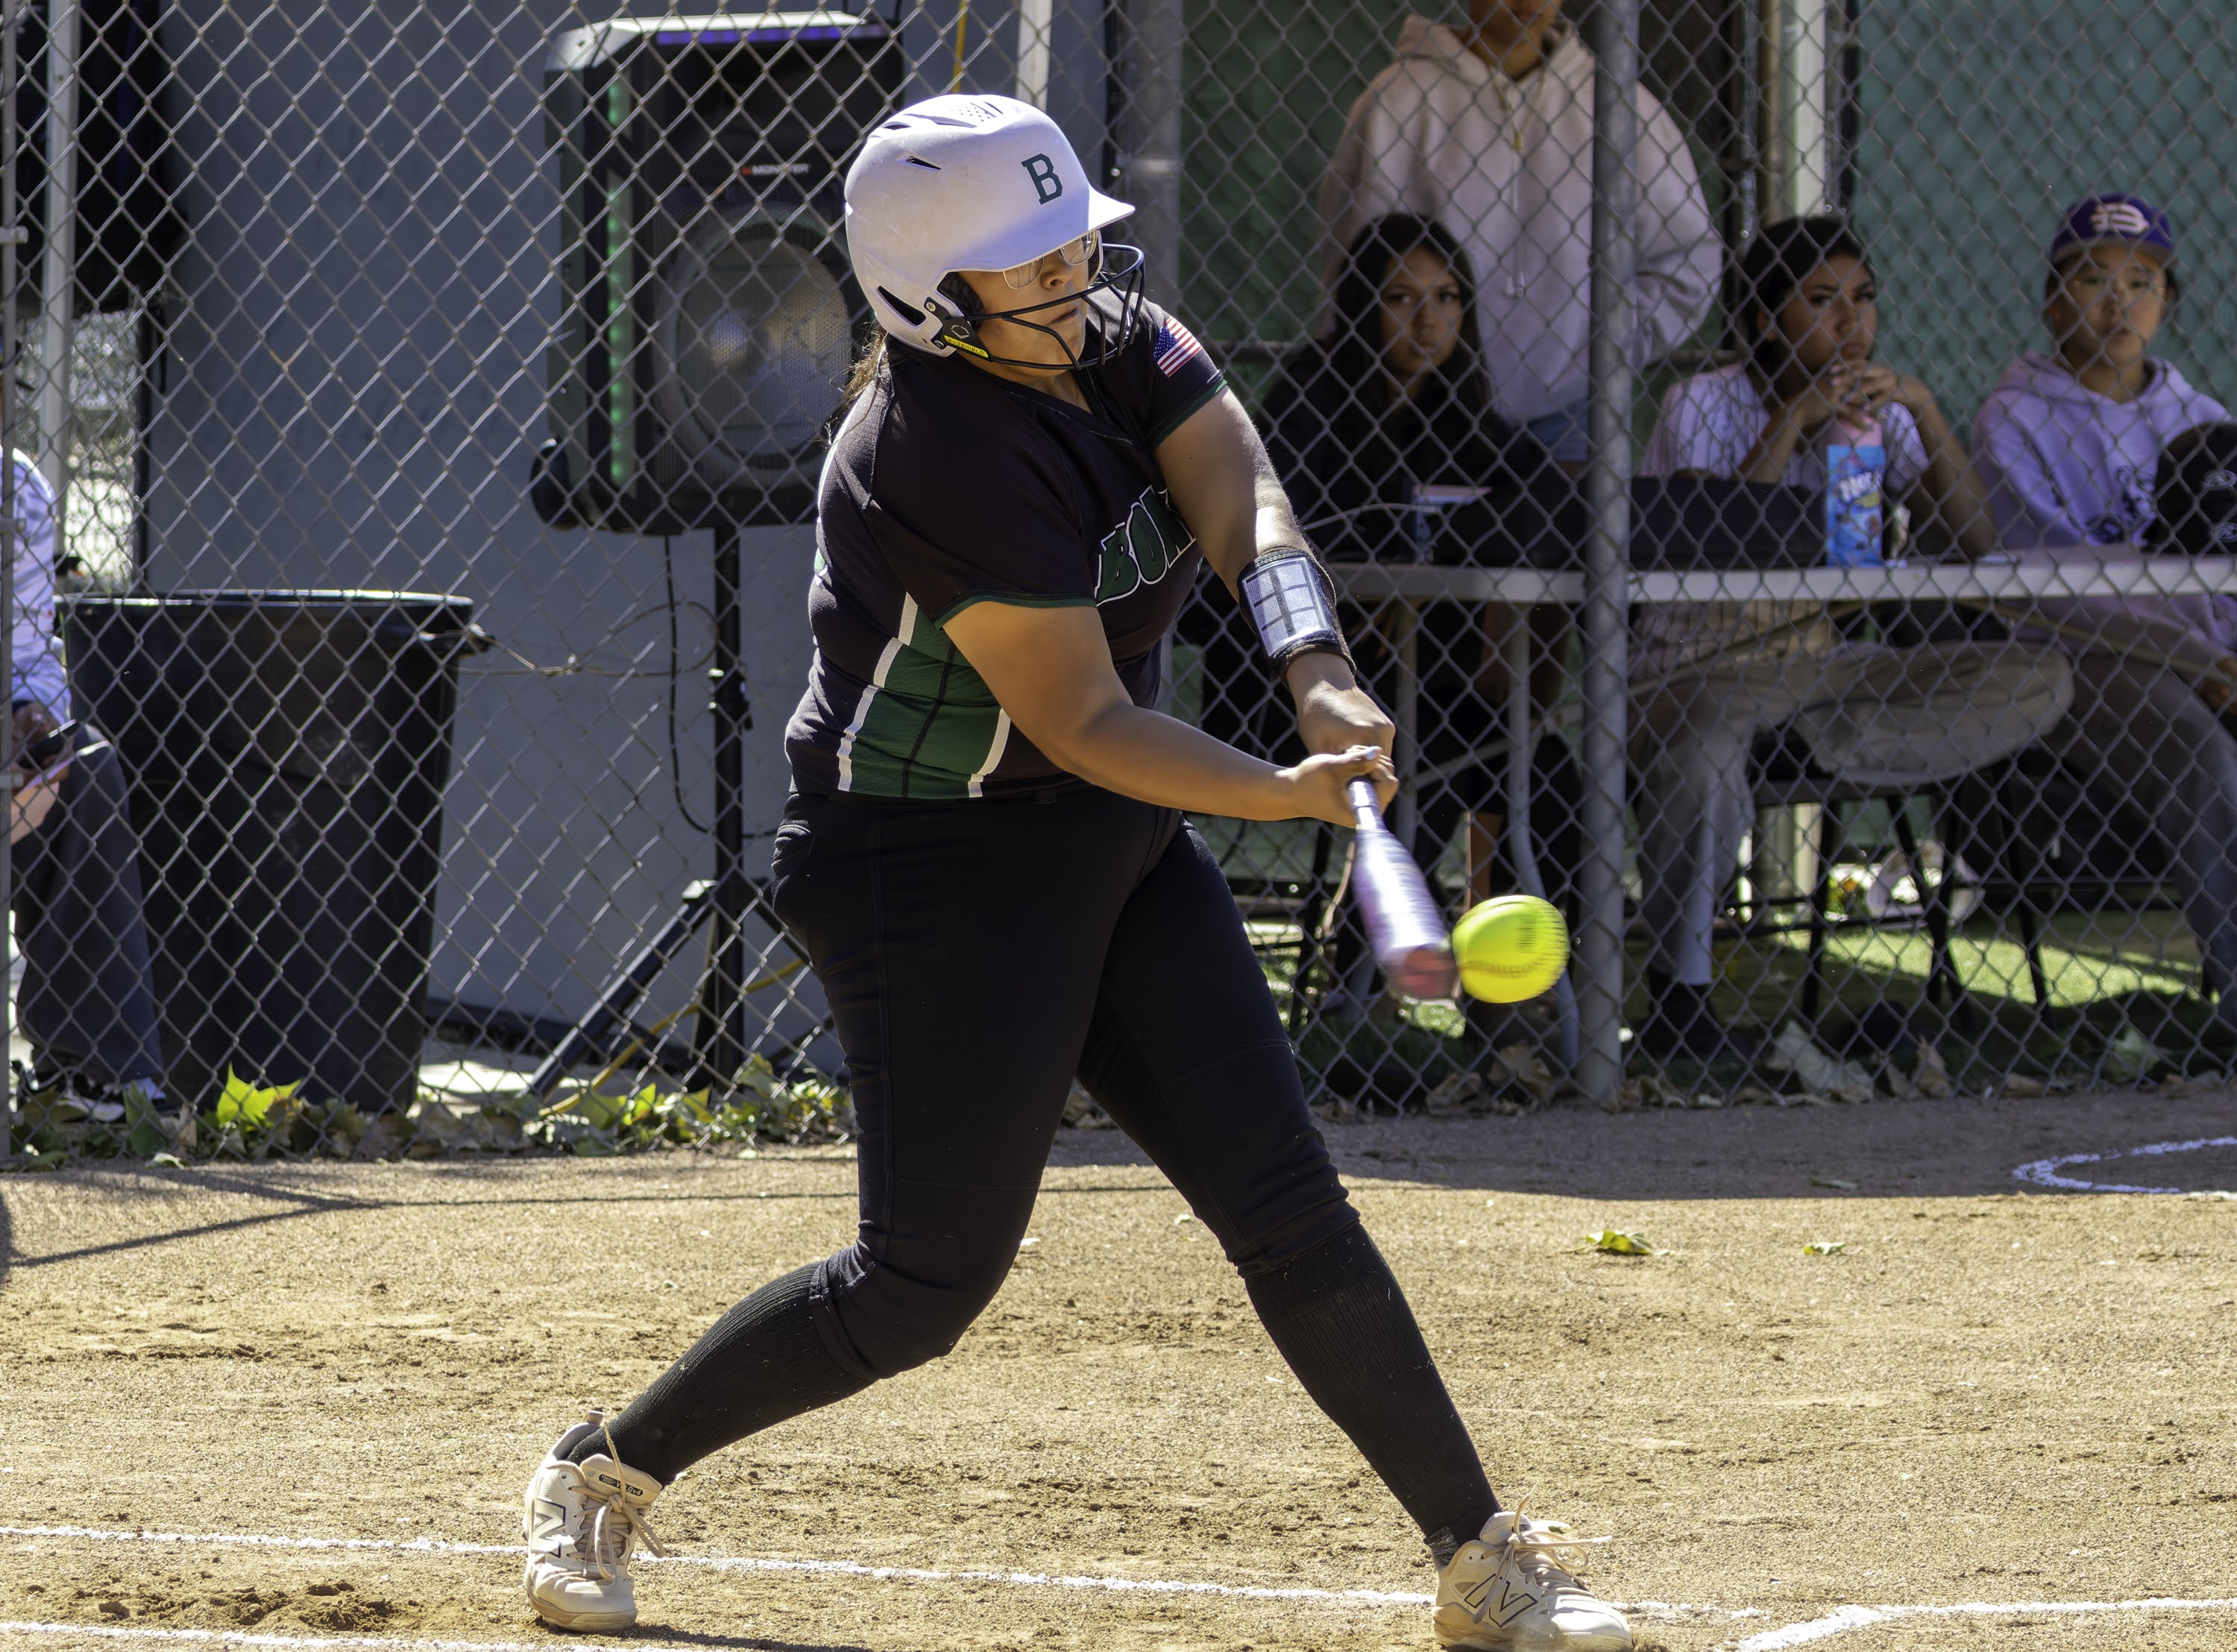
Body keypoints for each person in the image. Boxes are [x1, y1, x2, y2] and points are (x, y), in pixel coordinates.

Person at [512, 98, 1632, 1652]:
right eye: (1033, 264)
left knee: (1288, 1204)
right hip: (925, 859)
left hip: (1105, 832)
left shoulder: (1119, 341)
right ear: (931, 300)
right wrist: (1285, 793)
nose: (1077, 279)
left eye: (1076, 245)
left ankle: (1481, 1560)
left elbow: (1246, 502)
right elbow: (1085, 720)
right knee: (921, 1284)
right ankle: (600, 1469)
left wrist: (1312, 663)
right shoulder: (930, 450)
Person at [1632, 215, 2068, 1060]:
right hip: (1699, 666)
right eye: (1822, 301)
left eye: (1864, 299)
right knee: (1706, 742)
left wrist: (1922, 409)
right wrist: (1795, 419)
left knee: (2040, 674)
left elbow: (1977, 541)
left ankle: (1825, 740)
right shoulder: (1702, 402)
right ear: (1767, 319)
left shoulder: (1878, 410)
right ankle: (1680, 1000)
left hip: (1822, 669)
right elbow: (1721, 540)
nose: (1851, 322)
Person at [1200, 213, 1572, 938]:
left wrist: (1441, 565)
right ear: (1361, 304)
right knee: (1430, 754)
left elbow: (1545, 494)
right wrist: (1375, 591)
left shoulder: (1459, 413)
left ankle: (1521, 981)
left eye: (1447, 298)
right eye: (1402, 298)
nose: (1428, 321)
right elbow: (1276, 534)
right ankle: (1361, 965)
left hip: (1431, 687)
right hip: (1292, 693)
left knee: (1544, 765)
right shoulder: (1311, 398)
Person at [1972, 194, 2237, 1027]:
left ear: (2168, 300)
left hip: (2214, 650)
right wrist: (2203, 663)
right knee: (2198, 750)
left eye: (2141, 281)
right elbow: (2058, 590)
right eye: (2092, 280)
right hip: (2081, 656)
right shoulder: (2013, 418)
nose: (2119, 302)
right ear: (2054, 302)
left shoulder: (2202, 419)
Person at [1322, 1, 1719, 466]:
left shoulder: (1617, 104)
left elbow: (1688, 260)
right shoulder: (1398, 102)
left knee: (1571, 516)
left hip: (1573, 408)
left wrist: (1605, 349)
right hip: (1425, 406)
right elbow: (1355, 269)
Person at [4, 452, 167, 1117]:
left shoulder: (17, 485)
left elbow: (29, 654)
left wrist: (27, 717)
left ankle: (89, 1073)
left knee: (86, 766)